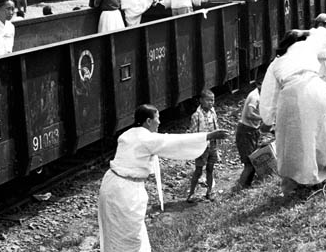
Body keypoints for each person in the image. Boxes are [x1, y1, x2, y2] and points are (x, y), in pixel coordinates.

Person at [98, 104, 229, 252]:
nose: (159, 122)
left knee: (115, 230)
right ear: (148, 121)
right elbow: (173, 141)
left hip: (110, 185)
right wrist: (208, 136)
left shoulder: (128, 134)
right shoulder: (147, 138)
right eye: (157, 118)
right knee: (129, 235)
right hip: (124, 192)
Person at [259, 30, 326, 196]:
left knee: (294, 141)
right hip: (320, 89)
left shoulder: (277, 62)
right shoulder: (309, 46)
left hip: (296, 94)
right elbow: (325, 35)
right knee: (323, 134)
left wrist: (267, 120)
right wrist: (305, 32)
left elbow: (269, 94)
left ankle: (299, 181)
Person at [187, 89, 219, 203]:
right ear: (201, 101)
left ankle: (209, 191)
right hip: (202, 147)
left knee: (210, 169)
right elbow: (193, 132)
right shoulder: (196, 115)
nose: (211, 103)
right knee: (198, 170)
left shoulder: (213, 112)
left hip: (213, 146)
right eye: (208, 100)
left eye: (213, 100)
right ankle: (191, 193)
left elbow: (216, 126)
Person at [234, 81, 262, 190]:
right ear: (259, 85)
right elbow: (249, 114)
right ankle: (239, 188)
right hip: (246, 131)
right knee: (249, 163)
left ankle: (246, 186)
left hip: (252, 130)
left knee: (253, 161)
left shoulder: (260, 94)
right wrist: (263, 117)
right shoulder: (254, 96)